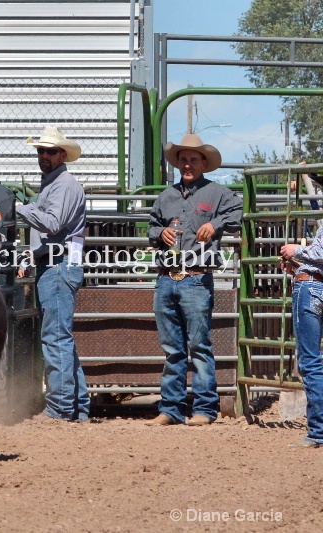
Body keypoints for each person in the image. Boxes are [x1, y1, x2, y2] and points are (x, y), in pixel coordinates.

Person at [146, 133, 242, 426]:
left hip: (196, 278)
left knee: (198, 345)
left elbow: (238, 212)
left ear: (203, 163)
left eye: (192, 160)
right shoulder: (166, 196)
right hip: (167, 277)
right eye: (183, 160)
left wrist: (215, 223)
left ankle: (204, 409)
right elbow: (151, 227)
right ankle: (171, 409)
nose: (187, 165)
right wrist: (159, 233)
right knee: (173, 348)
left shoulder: (218, 194)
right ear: (178, 164)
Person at [16, 126, 90, 423]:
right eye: (40, 151)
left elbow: (53, 222)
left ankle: (60, 408)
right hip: (57, 263)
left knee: (55, 337)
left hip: (59, 266)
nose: (43, 156)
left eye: (49, 151)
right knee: (61, 337)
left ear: (62, 155)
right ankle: (78, 406)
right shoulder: (55, 184)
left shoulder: (63, 185)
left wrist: (19, 208)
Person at [280, 234, 323, 447]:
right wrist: (300, 266)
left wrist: (296, 251)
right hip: (315, 283)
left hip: (311, 288)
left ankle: (318, 432)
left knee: (310, 361)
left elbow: (320, 254)